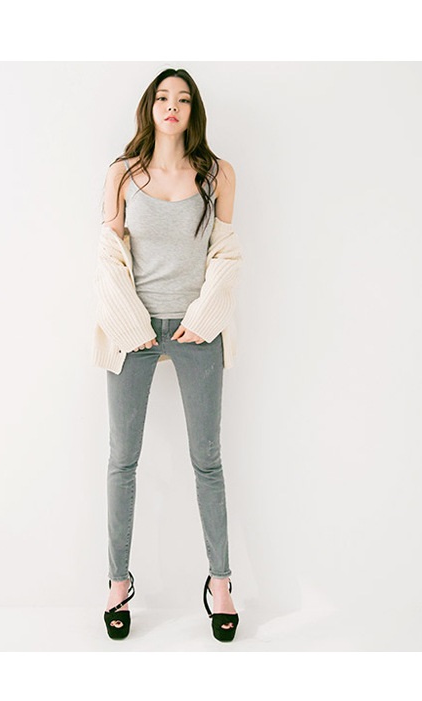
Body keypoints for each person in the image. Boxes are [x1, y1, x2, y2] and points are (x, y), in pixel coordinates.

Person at [93, 68, 243, 642]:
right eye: (162, 97)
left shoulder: (217, 174)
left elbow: (225, 252)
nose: (171, 105)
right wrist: (131, 322)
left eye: (182, 98)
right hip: (132, 327)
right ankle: (117, 582)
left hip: (196, 328)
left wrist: (204, 318)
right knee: (122, 459)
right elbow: (108, 253)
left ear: (193, 110)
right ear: (149, 107)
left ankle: (221, 583)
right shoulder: (123, 174)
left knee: (207, 459)